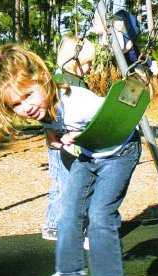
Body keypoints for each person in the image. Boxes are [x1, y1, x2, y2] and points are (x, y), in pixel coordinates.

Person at [0, 44, 141, 276]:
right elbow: (52, 125)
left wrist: (82, 136)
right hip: (89, 155)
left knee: (100, 213)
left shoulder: (79, 101)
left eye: (27, 95)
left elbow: (120, 123)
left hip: (119, 152)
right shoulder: (44, 105)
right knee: (68, 211)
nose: (25, 107)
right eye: (16, 104)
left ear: (43, 80)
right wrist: (54, 136)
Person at [43, 36, 95, 242]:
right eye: (88, 62)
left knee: (75, 183)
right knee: (61, 184)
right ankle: (53, 225)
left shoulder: (79, 84)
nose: (91, 67)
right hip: (59, 141)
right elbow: (48, 109)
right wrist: (49, 131)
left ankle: (71, 224)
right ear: (74, 62)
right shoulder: (59, 82)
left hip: (74, 141)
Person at [93, 10, 158, 76]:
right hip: (123, 37)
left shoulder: (114, 28)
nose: (94, 30)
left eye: (95, 26)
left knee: (131, 51)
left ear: (102, 24)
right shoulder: (101, 35)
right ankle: (134, 69)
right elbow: (103, 46)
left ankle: (147, 65)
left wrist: (126, 48)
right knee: (124, 58)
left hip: (130, 26)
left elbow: (121, 46)